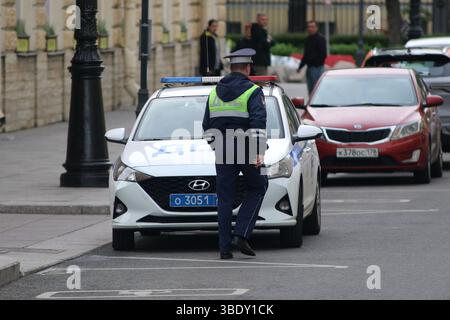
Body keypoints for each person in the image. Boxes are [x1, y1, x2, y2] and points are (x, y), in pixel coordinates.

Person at [203, 48, 269, 260]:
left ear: (231, 68)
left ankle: (224, 249)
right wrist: (259, 152)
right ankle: (241, 233)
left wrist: (217, 147)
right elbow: (258, 122)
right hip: (247, 148)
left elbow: (206, 126)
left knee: (224, 197)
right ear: (248, 67)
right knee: (259, 185)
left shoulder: (214, 92)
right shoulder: (253, 91)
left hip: (222, 149)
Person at [297, 21, 327, 94]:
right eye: (309, 27)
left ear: (317, 28)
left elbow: (323, 54)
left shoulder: (321, 39)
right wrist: (300, 67)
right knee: (310, 90)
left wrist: (317, 64)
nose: (310, 29)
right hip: (309, 68)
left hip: (317, 68)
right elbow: (306, 55)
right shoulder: (308, 39)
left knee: (317, 90)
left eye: (312, 27)